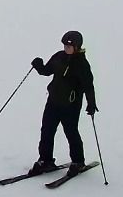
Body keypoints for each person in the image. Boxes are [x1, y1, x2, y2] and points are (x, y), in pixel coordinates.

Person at [28, 30, 97, 176]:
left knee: (71, 132)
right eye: (65, 45)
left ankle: (78, 161)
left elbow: (88, 86)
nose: (66, 48)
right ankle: (45, 160)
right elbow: (47, 71)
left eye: (69, 46)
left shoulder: (82, 64)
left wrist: (91, 103)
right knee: (47, 130)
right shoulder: (59, 57)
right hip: (53, 101)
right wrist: (38, 65)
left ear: (77, 47)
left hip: (70, 106)